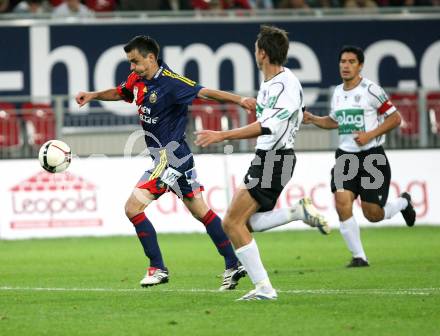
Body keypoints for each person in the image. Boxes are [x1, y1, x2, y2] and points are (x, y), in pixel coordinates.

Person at [75, 35, 257, 290]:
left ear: (151, 58)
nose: (131, 67)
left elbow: (205, 92)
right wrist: (92, 95)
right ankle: (233, 262)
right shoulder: (137, 79)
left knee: (132, 208)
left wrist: (239, 100)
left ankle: (158, 267)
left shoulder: (172, 83)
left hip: (171, 158)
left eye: (135, 61)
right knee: (200, 211)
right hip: (172, 159)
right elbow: (120, 92)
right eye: (129, 62)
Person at [195, 25, 329, 301]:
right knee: (246, 223)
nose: (254, 52)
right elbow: (276, 115)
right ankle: (296, 212)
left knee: (231, 223)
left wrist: (222, 135)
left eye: (256, 48)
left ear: (263, 54)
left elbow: (265, 127)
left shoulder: (285, 85)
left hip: (274, 160)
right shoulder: (274, 81)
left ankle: (265, 289)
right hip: (268, 159)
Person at [303, 45, 416, 267]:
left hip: (372, 157)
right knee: (342, 202)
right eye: (343, 62)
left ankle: (403, 202)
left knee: (373, 214)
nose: (346, 66)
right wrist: (315, 119)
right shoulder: (337, 92)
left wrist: (370, 134)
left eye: (351, 62)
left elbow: (395, 118)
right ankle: (359, 257)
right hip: (346, 158)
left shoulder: (371, 90)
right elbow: (335, 122)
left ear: (360, 65)